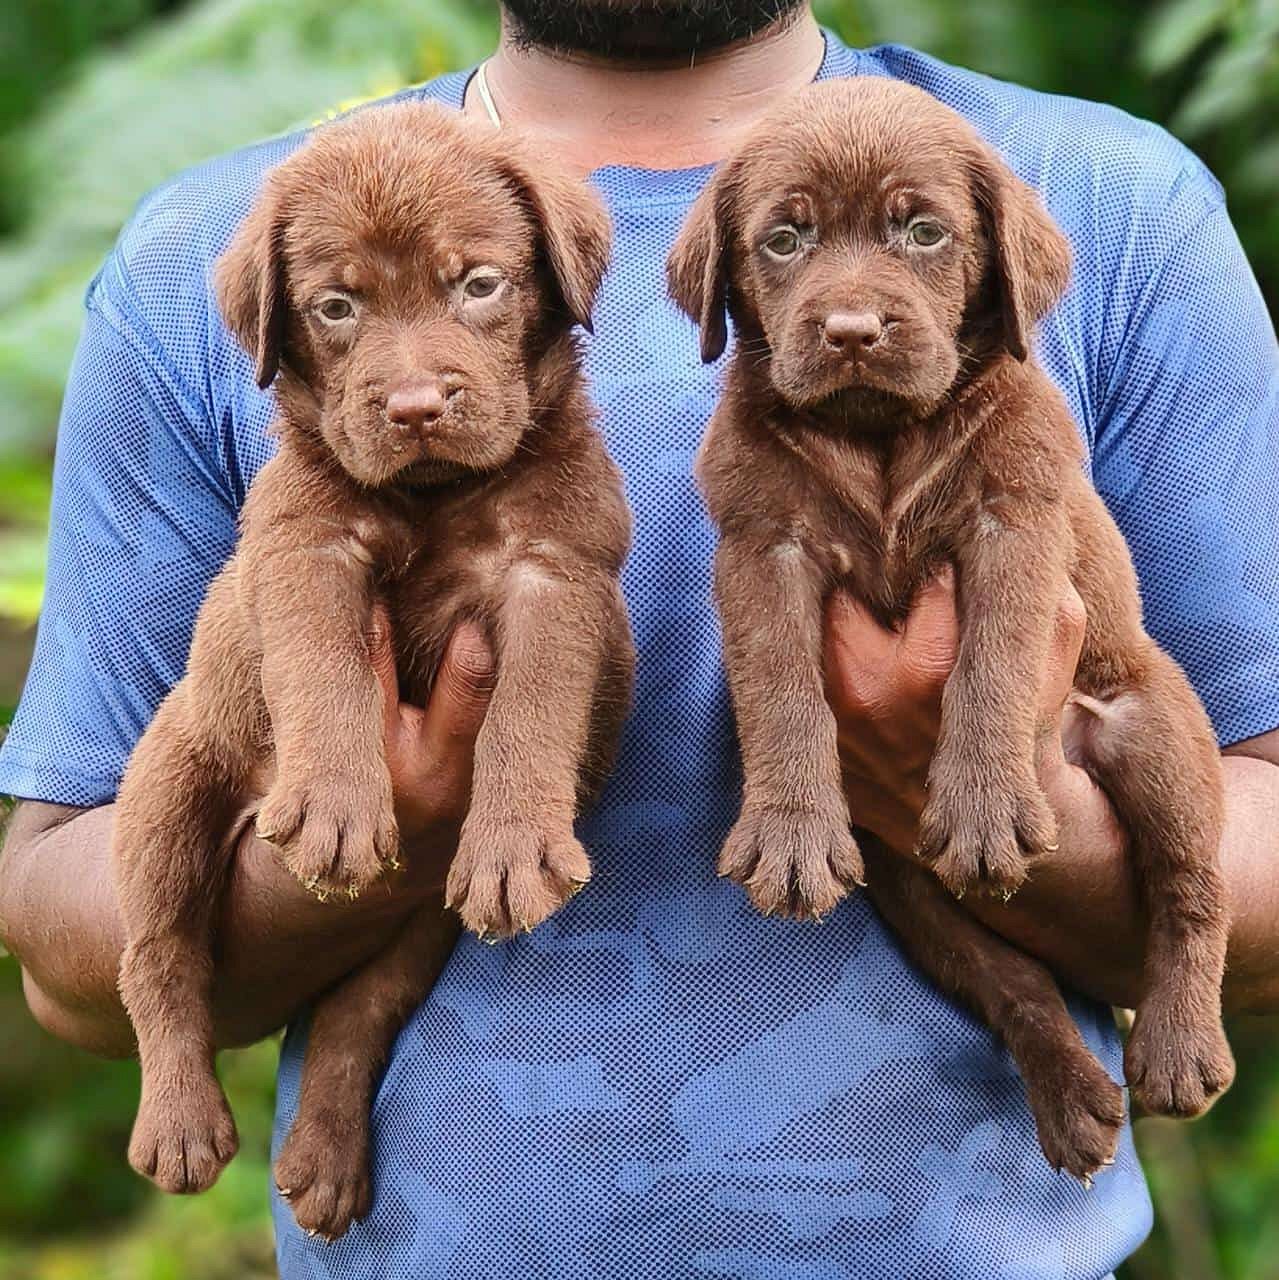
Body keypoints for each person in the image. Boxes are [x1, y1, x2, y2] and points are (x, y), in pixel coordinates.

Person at [2, 1, 1278, 1274]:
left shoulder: (1112, 206)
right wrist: (401, 824)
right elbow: (61, 945)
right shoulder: (214, 251)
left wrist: (978, 796)